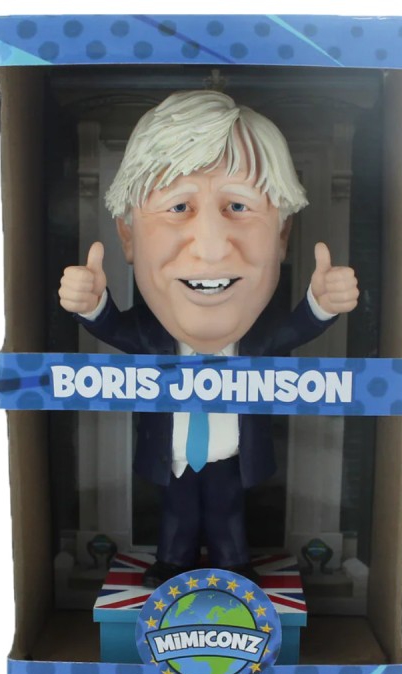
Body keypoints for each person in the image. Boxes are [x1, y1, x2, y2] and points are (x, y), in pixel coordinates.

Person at [57, 90, 359, 587]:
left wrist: (322, 302)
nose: (213, 248)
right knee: (177, 513)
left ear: (283, 235)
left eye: (238, 205)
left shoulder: (256, 339)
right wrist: (91, 304)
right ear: (127, 236)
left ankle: (233, 564)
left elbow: (293, 330)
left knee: (226, 513)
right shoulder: (153, 336)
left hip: (230, 455)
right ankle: (172, 563)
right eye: (178, 206)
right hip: (174, 454)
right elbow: (116, 329)